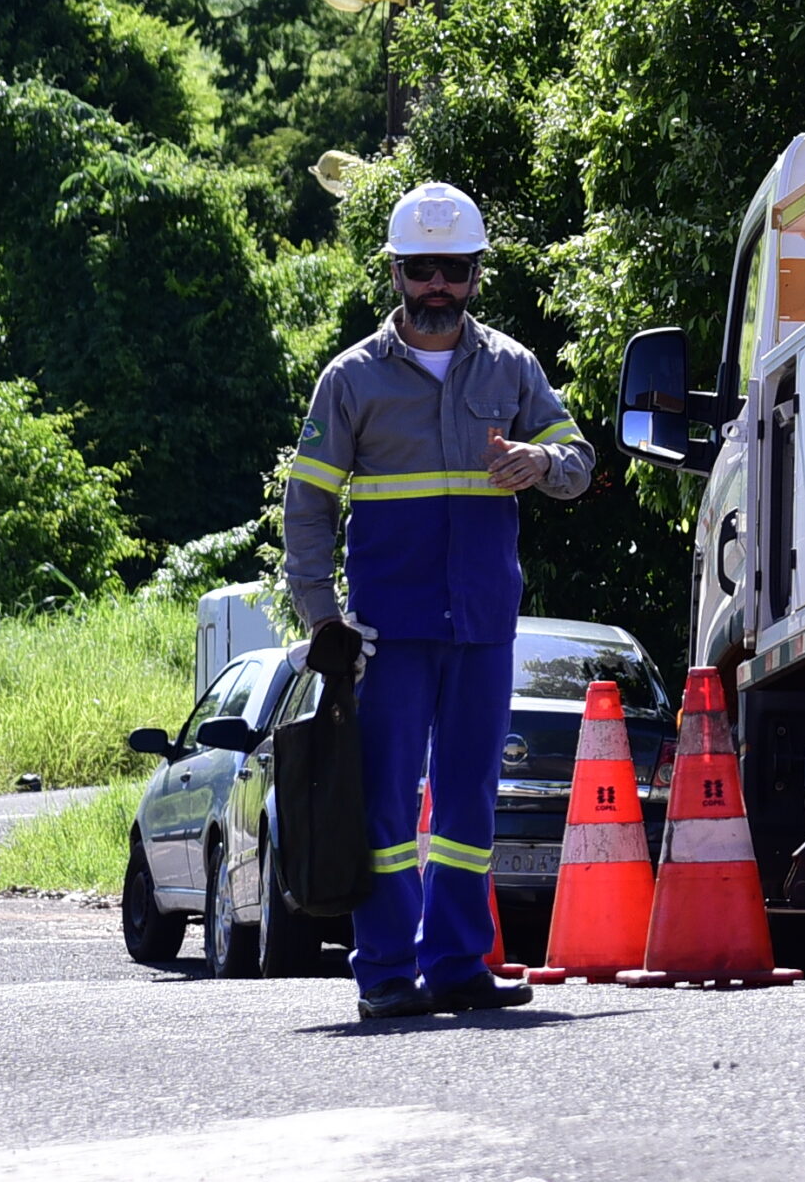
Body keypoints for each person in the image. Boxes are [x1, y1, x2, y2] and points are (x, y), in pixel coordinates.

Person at [284, 181, 594, 1020]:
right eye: (420, 269)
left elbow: (578, 458)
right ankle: (385, 969)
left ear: (475, 273)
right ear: (394, 272)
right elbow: (308, 506)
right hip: (386, 632)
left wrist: (542, 460)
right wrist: (323, 617)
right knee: (384, 801)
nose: (436, 287)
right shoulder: (350, 380)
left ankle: (458, 962)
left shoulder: (511, 367)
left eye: (452, 270)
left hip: (483, 624)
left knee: (467, 801)